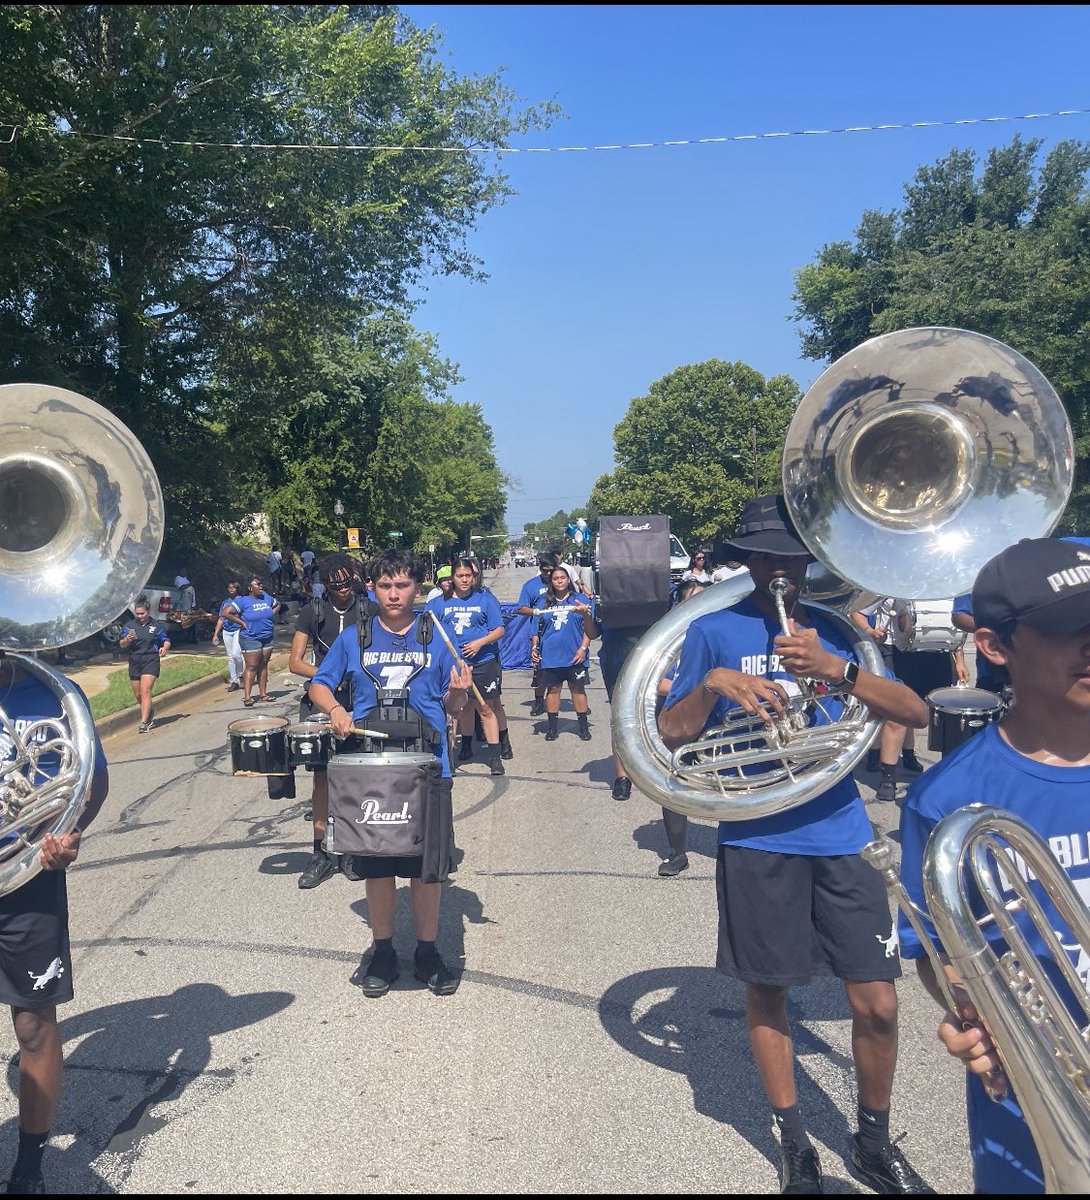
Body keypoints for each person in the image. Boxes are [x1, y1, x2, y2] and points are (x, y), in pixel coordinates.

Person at [658, 494, 933, 1195]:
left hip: (840, 831)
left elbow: (914, 711)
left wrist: (835, 670)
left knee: (877, 1002)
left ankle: (872, 1140)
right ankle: (794, 1140)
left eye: (789, 555)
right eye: (763, 556)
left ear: (809, 560)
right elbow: (672, 734)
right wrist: (715, 683)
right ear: (748, 562)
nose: (777, 568)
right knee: (770, 990)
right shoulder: (714, 631)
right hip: (757, 831)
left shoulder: (841, 631)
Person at [898, 537, 1090, 1195]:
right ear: (994, 646)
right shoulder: (946, 799)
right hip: (1042, 1093)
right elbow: (935, 949)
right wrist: (972, 1012)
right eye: (1070, 629)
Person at [308, 549, 473, 998]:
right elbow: (318, 684)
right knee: (378, 866)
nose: (394, 594)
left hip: (427, 765)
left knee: (426, 869)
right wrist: (337, 708)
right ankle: (382, 950)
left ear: (417, 588)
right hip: (370, 769)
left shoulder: (434, 633)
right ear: (373, 589)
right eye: (385, 586)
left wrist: (459, 694)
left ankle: (426, 951)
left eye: (402, 585)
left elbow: (454, 706)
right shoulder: (355, 637)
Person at [0, 656, 109, 1194]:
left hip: (26, 880)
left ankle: (28, 1165)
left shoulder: (55, 694)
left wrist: (71, 832)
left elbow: (91, 780)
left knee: (33, 1025)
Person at [288, 555, 368, 889]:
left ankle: (350, 849)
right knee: (321, 779)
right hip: (322, 700)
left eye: (347, 584)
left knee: (352, 778)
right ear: (326, 585)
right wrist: (328, 677)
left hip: (356, 702)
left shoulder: (367, 610)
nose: (342, 591)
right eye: (336, 586)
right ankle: (321, 853)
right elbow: (293, 661)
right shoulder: (313, 611)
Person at [427, 558, 511, 774]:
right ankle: (455, 752)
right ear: (452, 579)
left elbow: (499, 629)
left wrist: (479, 643)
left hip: (483, 662)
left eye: (468, 576)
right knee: (457, 710)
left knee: (485, 707)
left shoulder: (485, 599)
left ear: (474, 577)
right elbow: (426, 629)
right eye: (459, 576)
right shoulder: (438, 604)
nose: (464, 580)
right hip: (453, 665)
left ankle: (495, 757)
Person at [884, 596, 968, 802]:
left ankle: (947, 777)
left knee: (946, 719)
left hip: (939, 655)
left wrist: (960, 661)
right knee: (897, 716)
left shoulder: (947, 587)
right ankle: (888, 778)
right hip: (903, 654)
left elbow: (951, 627)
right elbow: (862, 612)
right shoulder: (895, 585)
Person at [653, 576, 709, 875]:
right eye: (694, 600)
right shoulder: (669, 638)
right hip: (682, 717)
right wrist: (696, 689)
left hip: (722, 718)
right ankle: (677, 852)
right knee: (674, 784)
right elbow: (654, 680)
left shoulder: (721, 630)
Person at [530, 564, 599, 743]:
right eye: (555, 578)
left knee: (578, 690)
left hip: (575, 654)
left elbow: (589, 629)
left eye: (562, 578)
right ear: (551, 582)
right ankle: (552, 728)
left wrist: (583, 648)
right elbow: (536, 628)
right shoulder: (544, 602)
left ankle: (583, 727)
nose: (559, 581)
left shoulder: (579, 599)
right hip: (551, 655)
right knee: (553, 690)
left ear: (568, 579)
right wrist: (534, 648)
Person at [225, 577, 280, 707]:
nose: (261, 586)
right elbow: (226, 612)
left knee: (264, 664)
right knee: (252, 666)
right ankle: (247, 696)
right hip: (250, 638)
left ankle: (263, 694)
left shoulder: (266, 598)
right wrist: (242, 623)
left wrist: (271, 613)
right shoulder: (243, 601)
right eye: (258, 584)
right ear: (250, 588)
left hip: (267, 637)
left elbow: (278, 604)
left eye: (262, 584)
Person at [118, 596, 170, 733]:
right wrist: (126, 640)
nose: (140, 616)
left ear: (148, 612)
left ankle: (144, 722)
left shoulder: (156, 626)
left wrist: (164, 648)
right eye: (138, 614)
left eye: (142, 613)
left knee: (145, 690)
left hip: (150, 659)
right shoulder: (129, 626)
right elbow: (122, 645)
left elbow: (166, 640)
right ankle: (149, 710)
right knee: (138, 694)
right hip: (135, 660)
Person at [517, 555, 555, 716]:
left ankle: (556, 701)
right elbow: (521, 608)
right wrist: (534, 611)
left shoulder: (561, 581)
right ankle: (539, 701)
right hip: (538, 631)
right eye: (544, 571)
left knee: (559, 669)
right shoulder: (530, 586)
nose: (547, 574)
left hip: (560, 629)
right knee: (539, 670)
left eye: (550, 571)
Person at [211, 581, 245, 692]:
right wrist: (216, 634)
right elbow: (221, 619)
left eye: (233, 587)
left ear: (238, 588)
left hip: (238, 630)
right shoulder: (226, 602)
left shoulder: (242, 601)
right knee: (230, 656)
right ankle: (234, 681)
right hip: (227, 631)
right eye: (229, 587)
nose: (231, 589)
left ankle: (241, 675)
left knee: (236, 654)